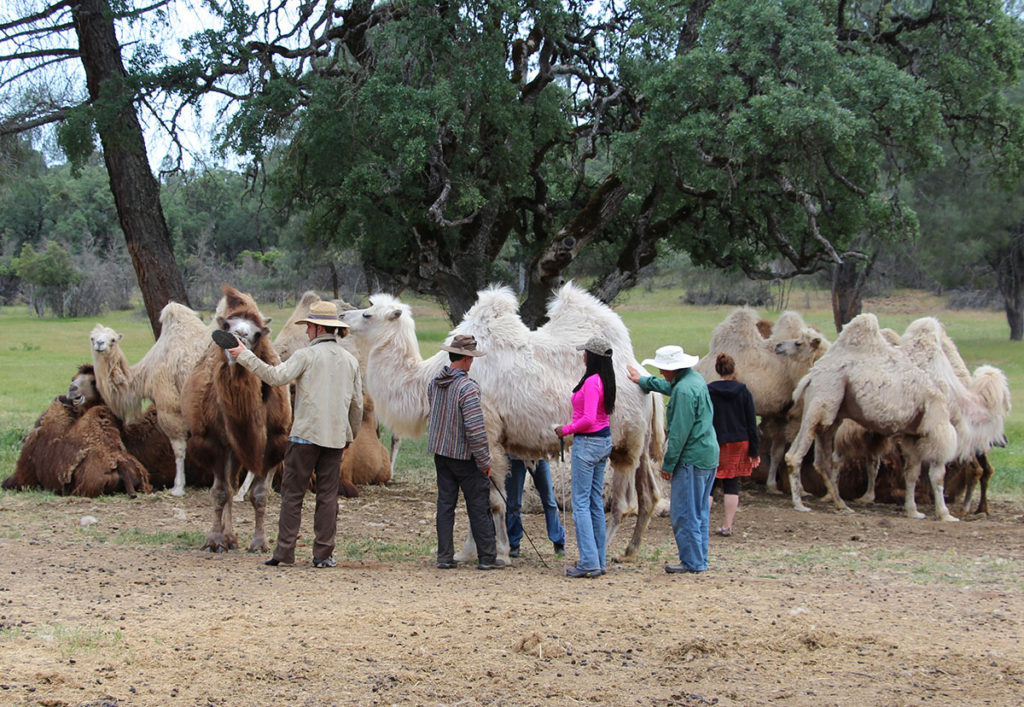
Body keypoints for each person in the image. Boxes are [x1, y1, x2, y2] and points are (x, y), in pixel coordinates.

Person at [225, 300, 363, 569]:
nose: (307, 332)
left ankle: (285, 552)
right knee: (327, 497)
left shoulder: (305, 356)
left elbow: (275, 377)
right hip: (335, 439)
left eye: (309, 327)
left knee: (293, 495)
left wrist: (243, 354)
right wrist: (350, 436)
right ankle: (323, 554)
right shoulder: (350, 361)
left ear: (316, 328)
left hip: (304, 437)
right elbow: (357, 404)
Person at [627, 345, 718, 574]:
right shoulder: (693, 379)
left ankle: (692, 562)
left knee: (684, 512)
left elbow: (678, 434)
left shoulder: (683, 392)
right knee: (699, 511)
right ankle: (700, 558)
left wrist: (668, 464)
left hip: (691, 459)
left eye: (662, 368)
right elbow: (669, 386)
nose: (659, 371)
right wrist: (645, 381)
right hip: (707, 455)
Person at [427, 334, 504, 570]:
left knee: (445, 505)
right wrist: (484, 459)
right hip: (464, 456)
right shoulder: (468, 388)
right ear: (467, 359)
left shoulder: (435, 383)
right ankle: (487, 557)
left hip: (441, 453)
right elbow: (474, 427)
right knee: (478, 505)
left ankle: (444, 556)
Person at [556, 336, 616, 578]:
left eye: (586, 353)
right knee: (593, 503)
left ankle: (588, 561)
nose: (583, 356)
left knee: (580, 504)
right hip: (603, 442)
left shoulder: (591, 382)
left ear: (593, 357)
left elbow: (588, 418)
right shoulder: (605, 380)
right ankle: (598, 559)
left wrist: (566, 429)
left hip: (588, 444)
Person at [707, 353, 760, 537]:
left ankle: (702, 525)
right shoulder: (743, 391)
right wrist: (754, 451)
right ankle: (727, 526)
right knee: (732, 484)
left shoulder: (709, 390)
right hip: (739, 442)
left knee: (710, 484)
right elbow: (751, 423)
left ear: (717, 370)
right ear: (734, 369)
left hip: (715, 441)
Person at [505, 455, 565, 558]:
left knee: (549, 500)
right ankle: (513, 543)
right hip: (514, 454)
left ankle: (558, 541)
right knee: (513, 503)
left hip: (538, 455)